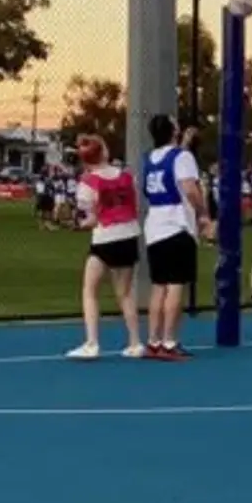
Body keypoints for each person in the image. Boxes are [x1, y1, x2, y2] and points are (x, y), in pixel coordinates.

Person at [140, 115, 212, 360]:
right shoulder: (183, 158)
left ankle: (153, 341)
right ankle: (170, 343)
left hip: (155, 227)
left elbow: (170, 163)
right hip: (177, 226)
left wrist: (185, 143)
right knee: (175, 285)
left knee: (158, 286)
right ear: (173, 130)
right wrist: (203, 214)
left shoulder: (150, 158)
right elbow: (190, 188)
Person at [68, 135, 145, 360]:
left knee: (89, 289)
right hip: (129, 234)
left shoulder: (88, 182)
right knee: (125, 293)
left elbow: (92, 219)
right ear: (104, 152)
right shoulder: (126, 176)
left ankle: (92, 343)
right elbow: (133, 205)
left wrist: (80, 225)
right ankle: (135, 342)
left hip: (105, 237)